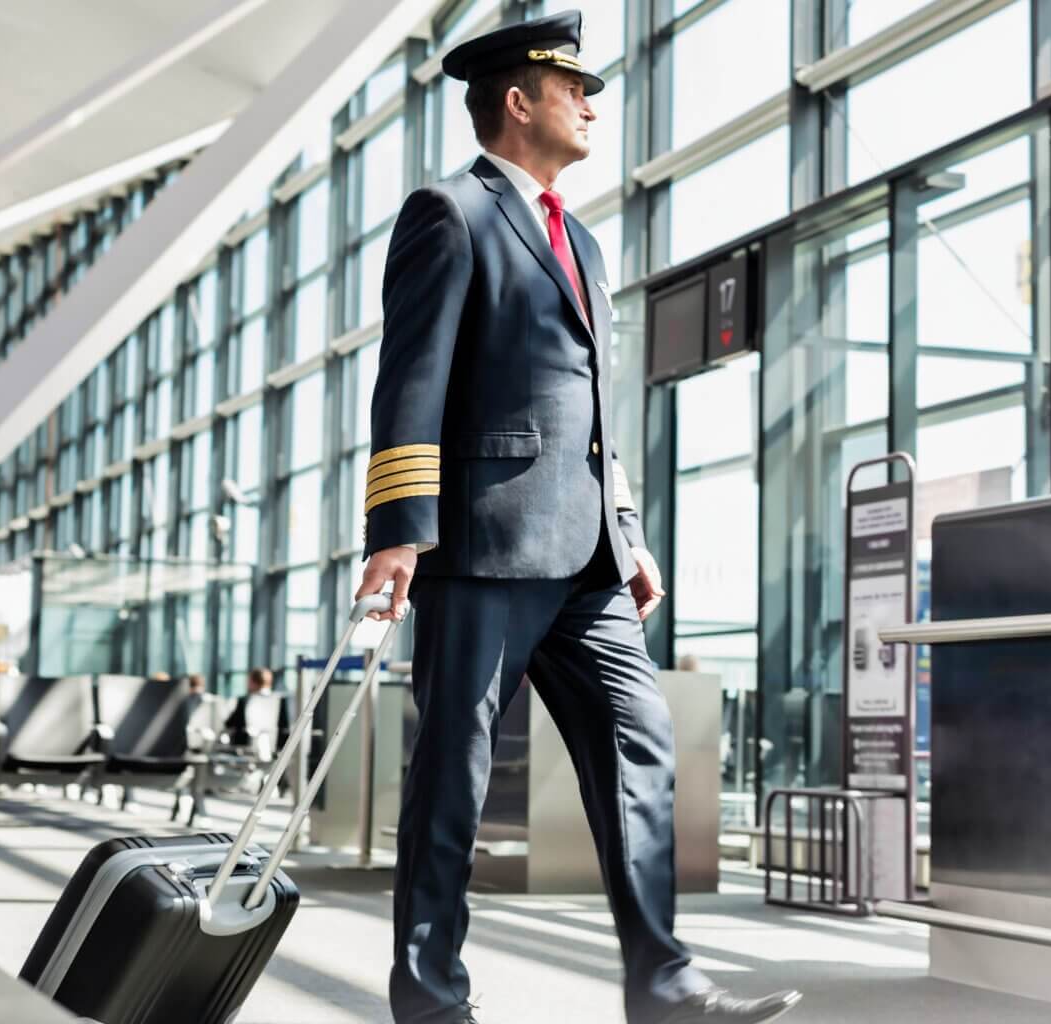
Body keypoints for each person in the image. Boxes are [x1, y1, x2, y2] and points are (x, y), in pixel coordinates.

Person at [353, 11, 801, 1024]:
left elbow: (591, 402)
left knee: (642, 743)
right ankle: (430, 1001)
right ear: (518, 102)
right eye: (572, 90)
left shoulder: (584, 239)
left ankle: (666, 986)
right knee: (453, 780)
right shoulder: (450, 212)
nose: (591, 106)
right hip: (484, 544)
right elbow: (410, 379)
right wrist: (398, 530)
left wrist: (627, 530)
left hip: (588, 559)